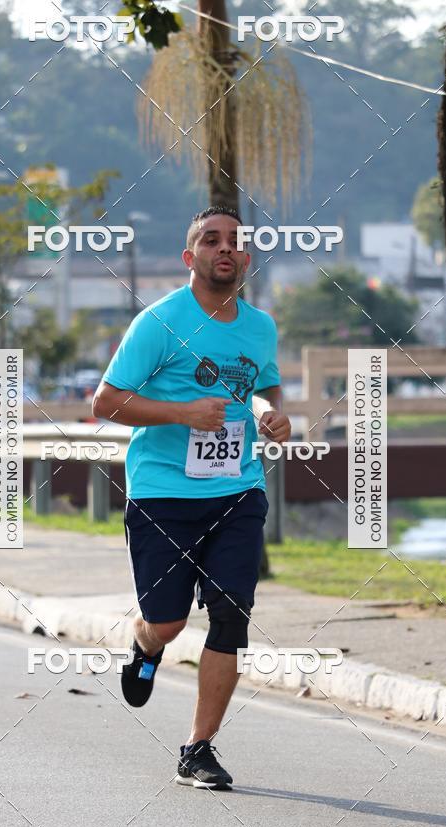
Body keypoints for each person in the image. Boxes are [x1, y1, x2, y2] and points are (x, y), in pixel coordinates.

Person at [92, 206, 291, 789]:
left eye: (234, 241)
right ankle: (144, 642)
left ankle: (197, 748)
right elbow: (107, 402)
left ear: (246, 259)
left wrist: (271, 411)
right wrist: (183, 413)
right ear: (190, 257)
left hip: (237, 489)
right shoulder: (159, 322)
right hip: (162, 494)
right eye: (211, 240)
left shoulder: (261, 326)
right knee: (170, 620)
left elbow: (263, 383)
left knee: (231, 614)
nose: (224, 248)